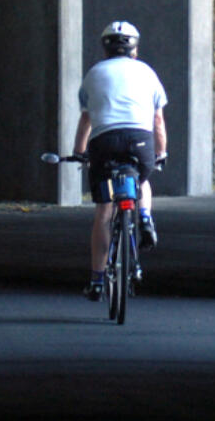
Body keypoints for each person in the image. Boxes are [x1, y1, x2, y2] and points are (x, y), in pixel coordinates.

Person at [72, 20, 168, 300]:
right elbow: (158, 120)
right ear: (134, 50)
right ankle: (145, 217)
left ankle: (98, 280)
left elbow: (86, 120)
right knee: (142, 177)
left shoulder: (93, 74)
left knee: (104, 211)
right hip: (140, 141)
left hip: (105, 143)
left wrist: (79, 152)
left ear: (105, 49)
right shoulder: (148, 73)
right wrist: (161, 152)